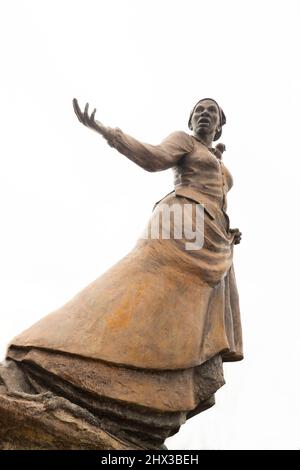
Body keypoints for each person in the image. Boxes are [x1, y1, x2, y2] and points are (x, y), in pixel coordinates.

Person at [4, 98, 243, 450]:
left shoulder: (221, 163)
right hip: (180, 224)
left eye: (212, 112)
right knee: (140, 288)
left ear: (220, 125)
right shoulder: (185, 142)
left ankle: (147, 400)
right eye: (198, 111)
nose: (204, 115)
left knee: (180, 318)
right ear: (190, 121)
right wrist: (108, 133)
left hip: (213, 243)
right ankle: (39, 356)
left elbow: (219, 197)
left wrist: (229, 228)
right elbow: (152, 157)